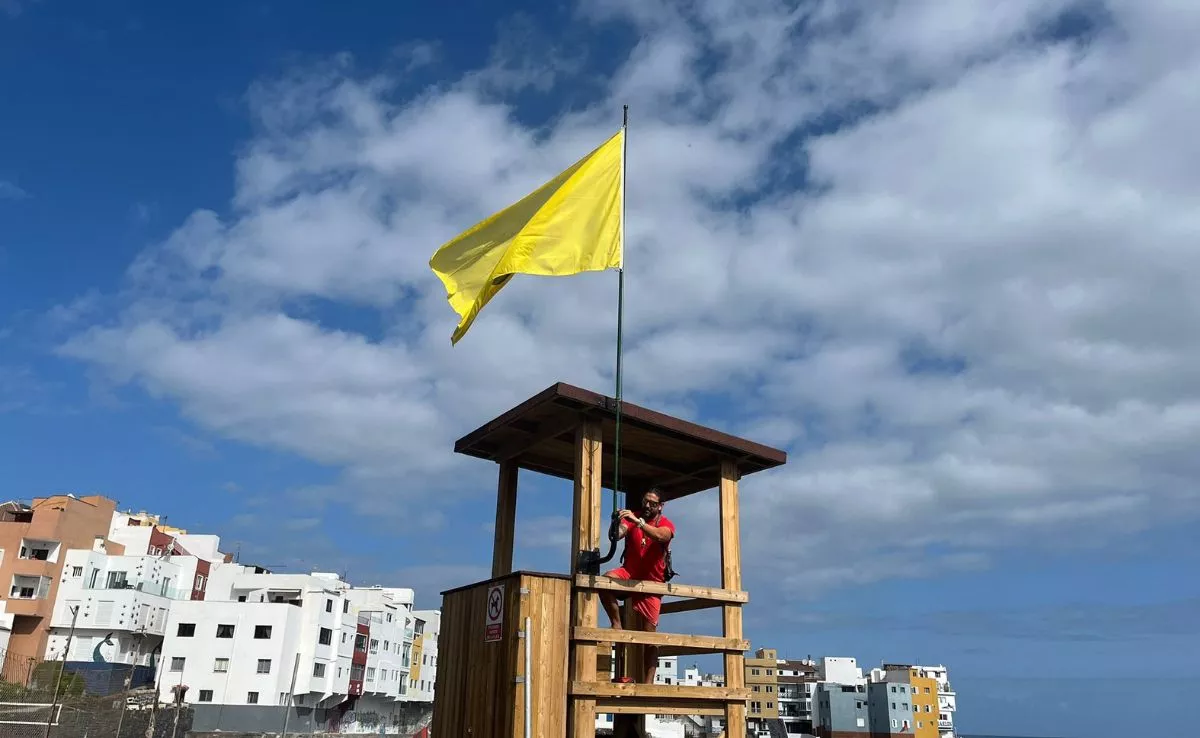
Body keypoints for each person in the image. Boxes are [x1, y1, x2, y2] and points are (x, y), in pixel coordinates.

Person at [600, 486, 675, 684]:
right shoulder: (632, 517)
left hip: (653, 583)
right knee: (605, 580)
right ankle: (616, 624)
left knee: (650, 637)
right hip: (630, 573)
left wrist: (638, 522)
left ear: (661, 506)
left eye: (652, 503)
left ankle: (648, 684)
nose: (648, 505)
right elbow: (617, 534)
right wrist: (616, 522)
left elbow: (661, 536)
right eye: (645, 501)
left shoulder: (664, 523)